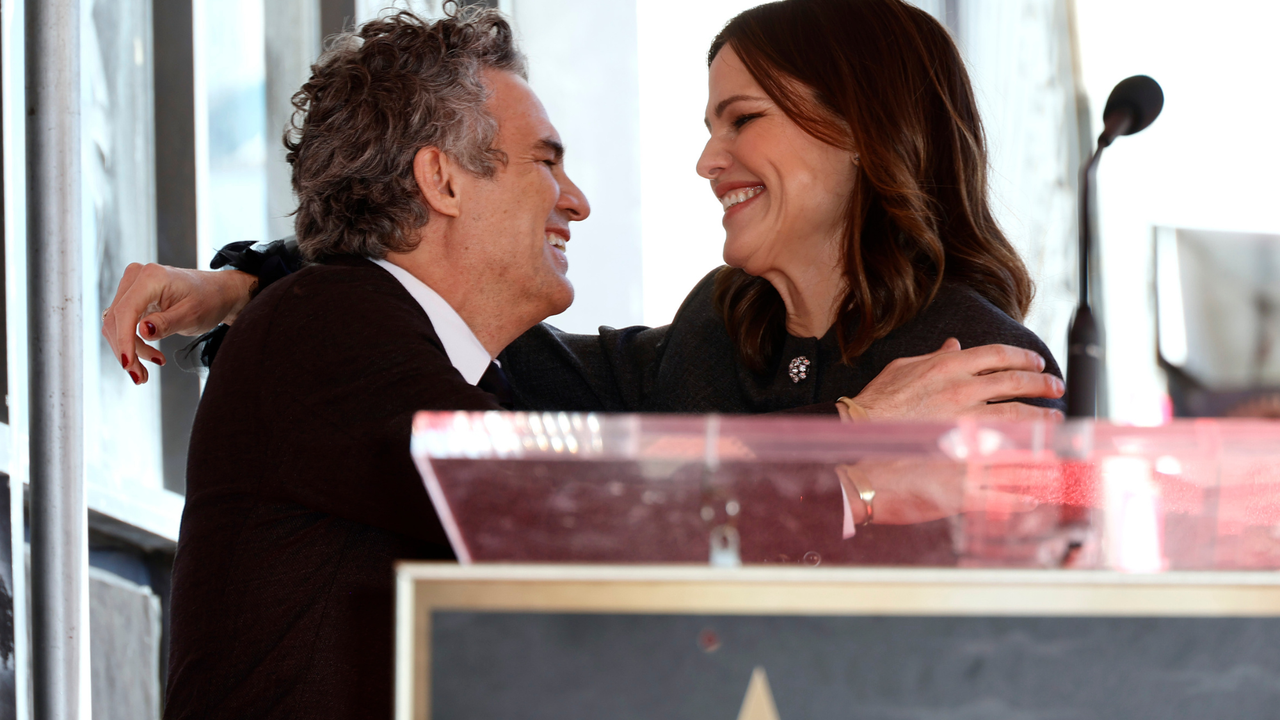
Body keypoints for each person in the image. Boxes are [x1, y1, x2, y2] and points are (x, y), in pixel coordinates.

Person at [104, 0, 1065, 422]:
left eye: (743, 120)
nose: (706, 160)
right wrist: (246, 280)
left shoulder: (979, 367)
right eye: (707, 124)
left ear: (863, 131)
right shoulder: (718, 333)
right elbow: (458, 311)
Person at [159, 10, 589, 717]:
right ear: (442, 181)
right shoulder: (328, 322)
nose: (575, 201)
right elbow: (553, 503)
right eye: (545, 161)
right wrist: (838, 450)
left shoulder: (409, 349)